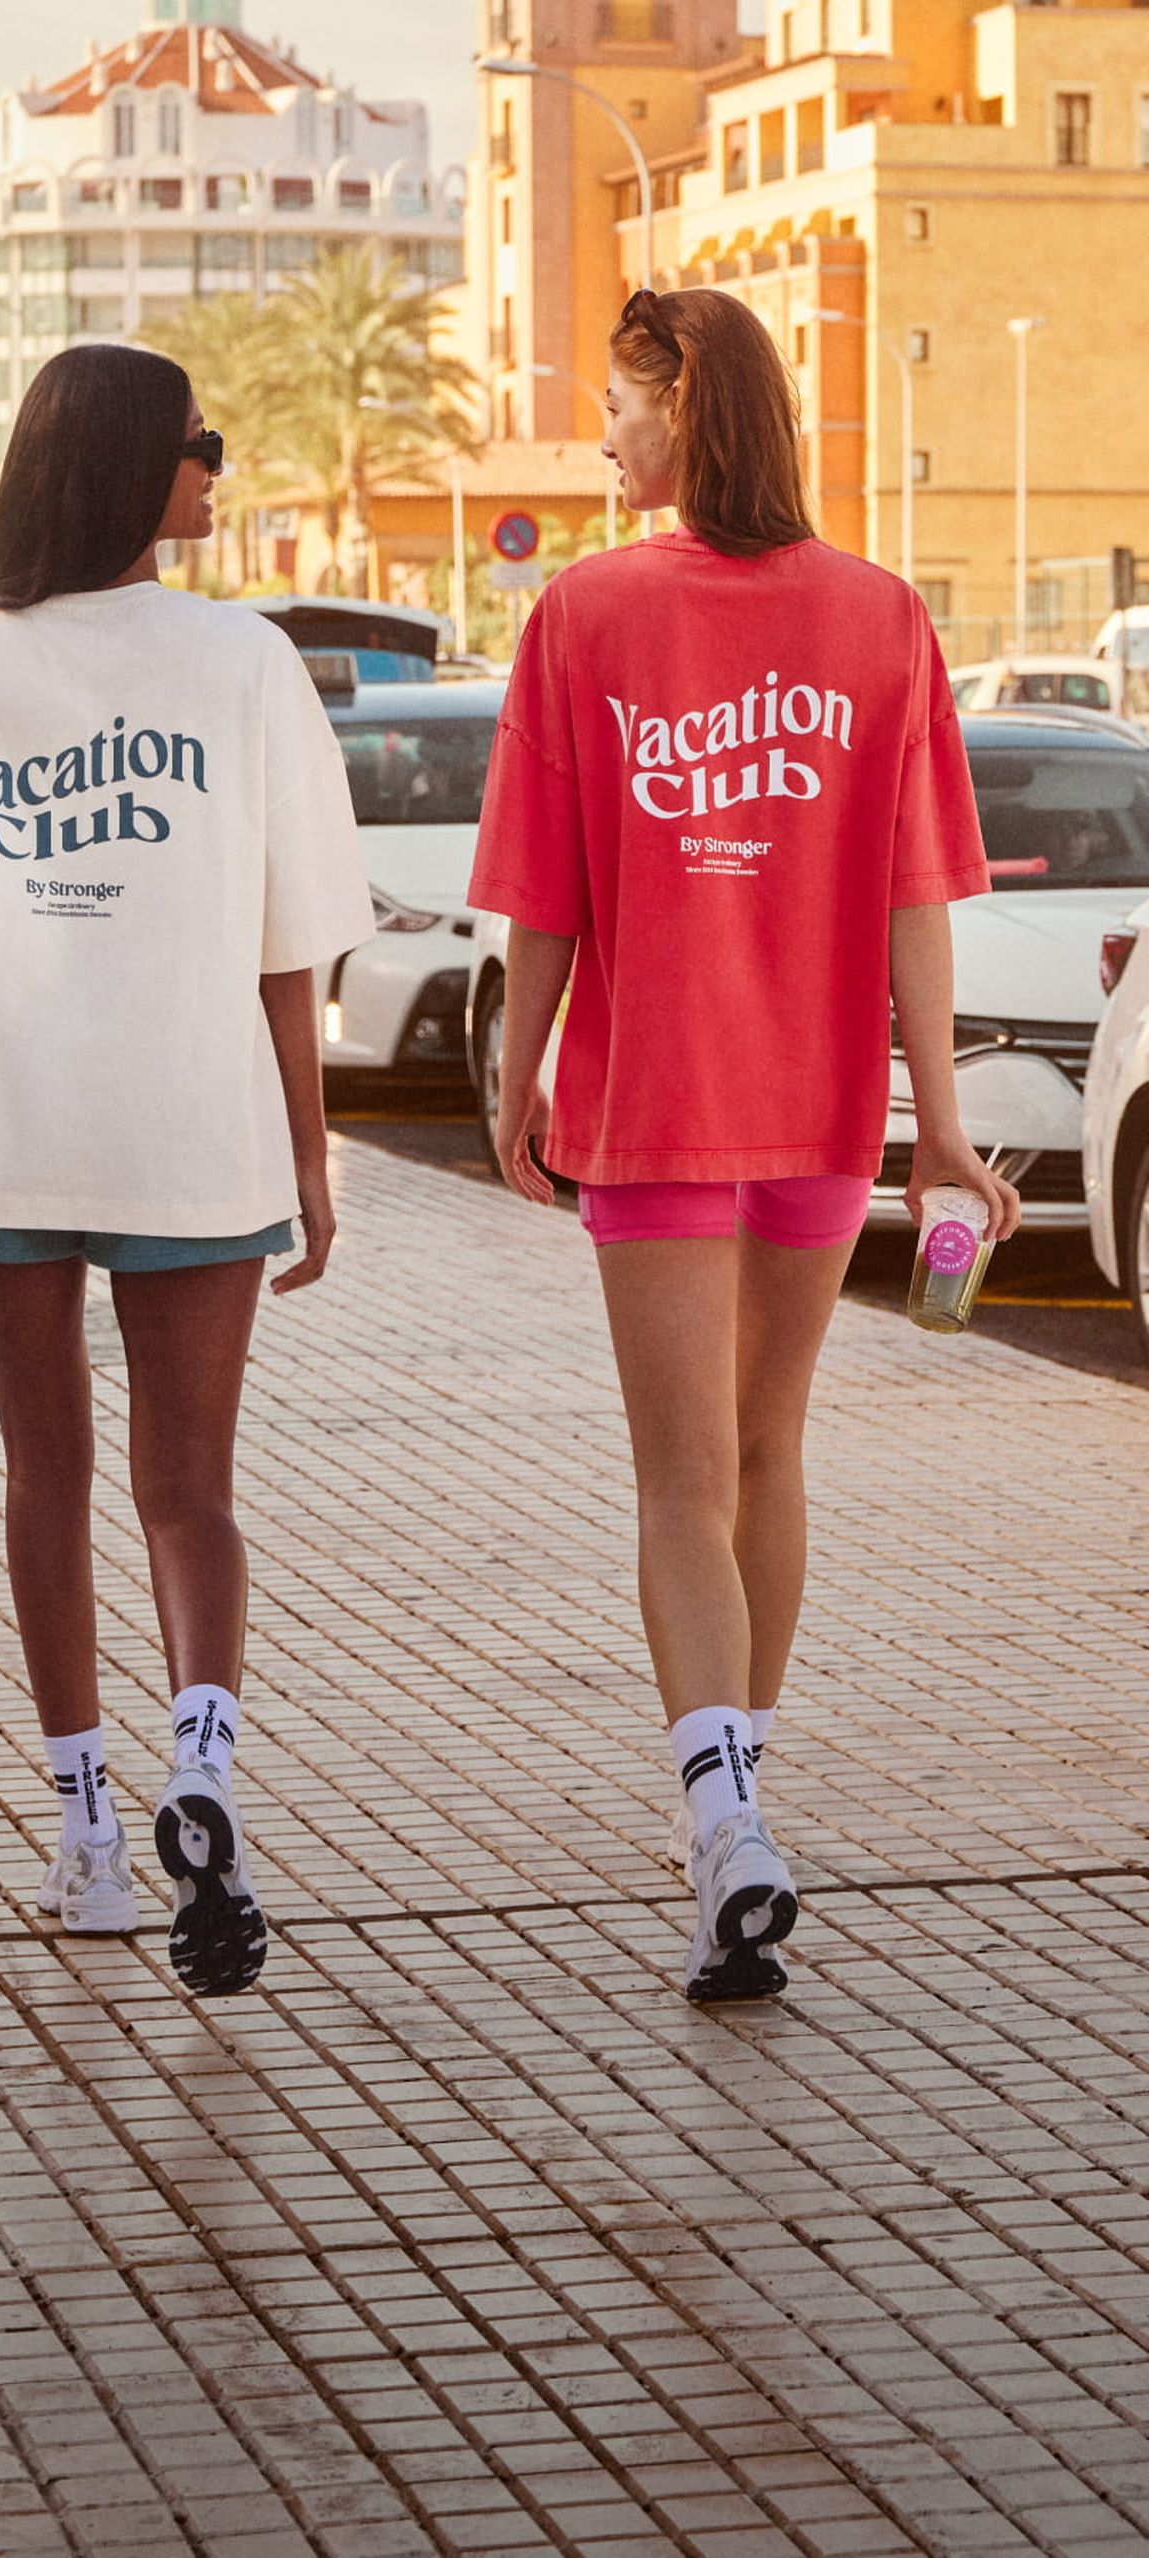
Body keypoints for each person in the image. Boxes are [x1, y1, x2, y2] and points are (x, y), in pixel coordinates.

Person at [469, 288, 1019, 2005]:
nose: (605, 436)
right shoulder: (881, 616)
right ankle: (743, 1817)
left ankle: (725, 1835)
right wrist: (934, 1123)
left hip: (659, 1115)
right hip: (823, 1114)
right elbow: (921, 897)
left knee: (683, 1481)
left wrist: (520, 1060)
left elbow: (547, 886)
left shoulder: (586, 614)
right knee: (767, 1457)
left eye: (620, 405)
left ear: (688, 403)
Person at [0, 345, 373, 1998]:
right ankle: (204, 1773)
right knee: (192, 1492)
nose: (217, 467)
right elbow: (294, 940)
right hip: (193, 1132)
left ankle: (88, 1839)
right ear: (126, 465)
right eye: (196, 442)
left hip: (5, 1117)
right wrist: (307, 1151)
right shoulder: (246, 661)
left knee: (45, 1477)